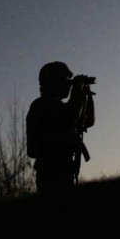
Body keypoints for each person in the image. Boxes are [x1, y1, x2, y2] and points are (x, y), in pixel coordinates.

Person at [26, 61, 95, 196]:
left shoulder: (58, 107)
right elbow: (72, 116)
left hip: (64, 171)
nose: (68, 84)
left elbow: (87, 121)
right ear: (54, 82)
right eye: (66, 79)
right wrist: (77, 92)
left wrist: (86, 96)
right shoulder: (41, 106)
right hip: (51, 173)